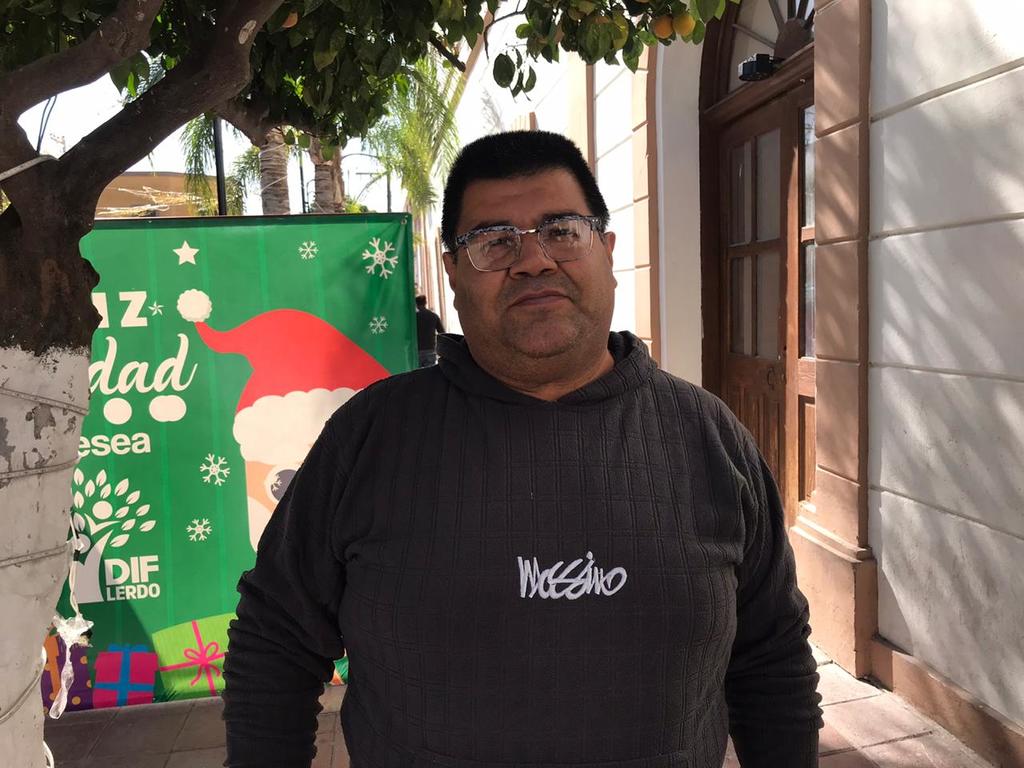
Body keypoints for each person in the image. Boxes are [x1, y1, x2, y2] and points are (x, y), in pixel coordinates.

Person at [223, 130, 822, 768]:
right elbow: (275, 640)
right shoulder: (370, 437)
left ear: (607, 251)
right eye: (494, 241)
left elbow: (772, 656)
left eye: (562, 231)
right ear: (452, 272)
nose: (533, 260)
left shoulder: (709, 437)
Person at [415, 294, 445, 367]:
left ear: (416, 304)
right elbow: (442, 332)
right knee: (430, 371)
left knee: (417, 372)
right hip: (430, 349)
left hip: (417, 350)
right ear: (425, 303)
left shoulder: (414, 318)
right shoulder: (433, 316)